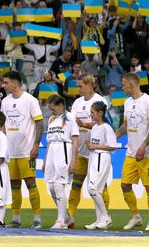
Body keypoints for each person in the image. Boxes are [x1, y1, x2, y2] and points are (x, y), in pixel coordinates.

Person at [115, 72, 149, 231]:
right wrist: (114, 136)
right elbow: (126, 126)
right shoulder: (127, 102)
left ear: (132, 84)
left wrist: (143, 146)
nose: (122, 86)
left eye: (123, 83)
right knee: (125, 185)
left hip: (147, 154)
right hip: (131, 153)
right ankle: (136, 216)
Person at [0, 71, 44, 229]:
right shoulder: (5, 102)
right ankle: (16, 218)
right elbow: (3, 124)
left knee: (31, 184)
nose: (3, 86)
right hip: (11, 152)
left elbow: (39, 123)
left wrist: (36, 145)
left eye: (6, 83)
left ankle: (37, 218)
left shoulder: (30, 100)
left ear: (15, 83)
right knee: (14, 185)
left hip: (26, 151)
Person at [67, 74, 108, 227]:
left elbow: (103, 123)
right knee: (76, 185)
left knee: (100, 187)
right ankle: (70, 217)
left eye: (80, 86)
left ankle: (103, 217)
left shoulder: (100, 101)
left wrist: (84, 124)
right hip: (81, 150)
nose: (78, 89)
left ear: (90, 85)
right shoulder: (77, 102)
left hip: (96, 151)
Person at [44, 95, 79, 229]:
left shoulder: (69, 118)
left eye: (53, 109)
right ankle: (67, 217)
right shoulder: (52, 119)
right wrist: (46, 159)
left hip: (64, 150)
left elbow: (75, 139)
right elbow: (49, 141)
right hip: (52, 151)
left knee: (59, 185)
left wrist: (74, 160)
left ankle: (61, 221)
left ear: (61, 106)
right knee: (51, 187)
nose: (51, 111)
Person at [85, 101, 117, 230]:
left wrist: (95, 146)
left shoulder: (106, 128)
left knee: (92, 189)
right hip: (94, 157)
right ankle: (99, 219)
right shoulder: (95, 127)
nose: (91, 114)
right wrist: (91, 146)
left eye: (92, 112)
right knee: (95, 190)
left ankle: (105, 217)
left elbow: (113, 146)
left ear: (100, 113)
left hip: (101, 157)